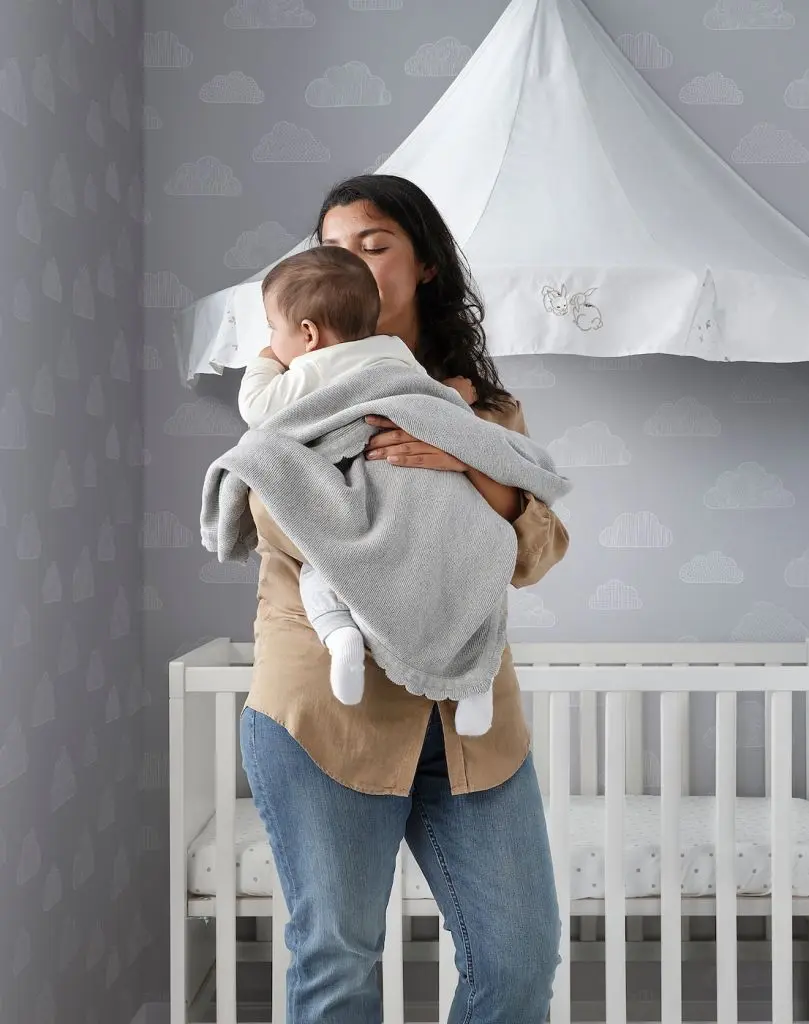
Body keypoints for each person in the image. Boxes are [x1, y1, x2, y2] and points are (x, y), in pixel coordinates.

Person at [237, 173, 570, 1023]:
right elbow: (274, 517)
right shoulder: (296, 384)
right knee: (338, 961)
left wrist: (467, 459)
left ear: (425, 264)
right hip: (329, 709)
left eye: (374, 244)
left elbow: (537, 548)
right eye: (334, 249)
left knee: (519, 958)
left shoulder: (484, 409)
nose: (352, 262)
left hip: (469, 717)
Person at [234, 244, 496, 736]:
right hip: (429, 495)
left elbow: (259, 410)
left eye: (273, 328)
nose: (271, 341)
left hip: (370, 490)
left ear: (308, 334)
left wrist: (265, 361)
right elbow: (433, 407)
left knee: (327, 563)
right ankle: (476, 686)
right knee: (467, 571)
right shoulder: (395, 355)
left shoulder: (312, 369)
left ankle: (341, 635)